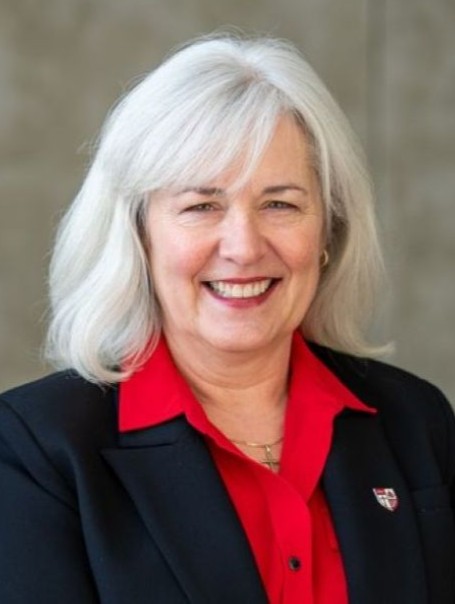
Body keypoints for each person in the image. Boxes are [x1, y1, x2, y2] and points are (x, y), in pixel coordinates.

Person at [0, 33, 454, 604]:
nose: (243, 247)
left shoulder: (416, 421)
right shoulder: (37, 451)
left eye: (280, 204)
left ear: (328, 231)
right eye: (202, 206)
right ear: (139, 237)